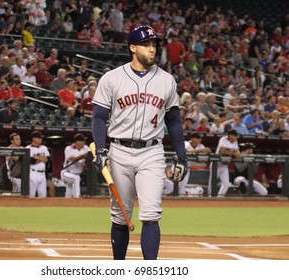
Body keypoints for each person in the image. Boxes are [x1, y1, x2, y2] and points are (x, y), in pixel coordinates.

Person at [91, 26, 187, 260]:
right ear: (132, 48)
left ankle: (149, 270)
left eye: (154, 44)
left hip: (152, 152)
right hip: (119, 150)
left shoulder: (166, 80)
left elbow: (174, 120)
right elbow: (98, 117)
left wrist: (182, 156)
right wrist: (101, 149)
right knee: (120, 216)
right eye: (146, 44)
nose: (152, 49)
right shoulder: (112, 78)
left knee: (151, 214)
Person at [209, 129, 242, 197]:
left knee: (226, 184)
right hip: (216, 164)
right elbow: (223, 151)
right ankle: (210, 197)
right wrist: (234, 153)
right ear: (230, 136)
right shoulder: (223, 139)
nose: (236, 137)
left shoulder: (235, 141)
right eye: (235, 136)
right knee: (212, 182)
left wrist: (235, 153)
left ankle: (220, 197)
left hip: (224, 165)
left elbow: (237, 153)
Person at [60, 133, 89, 198]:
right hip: (66, 173)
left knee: (68, 196)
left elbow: (92, 153)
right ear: (77, 142)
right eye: (82, 140)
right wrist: (83, 155)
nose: (84, 142)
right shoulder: (68, 148)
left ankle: (66, 204)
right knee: (76, 179)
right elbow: (73, 158)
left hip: (77, 173)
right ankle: (77, 197)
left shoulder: (85, 148)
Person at [27, 131, 50, 198]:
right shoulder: (28, 148)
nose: (41, 139)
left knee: (43, 196)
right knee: (31, 196)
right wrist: (42, 158)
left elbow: (47, 159)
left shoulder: (44, 147)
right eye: (39, 138)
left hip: (42, 174)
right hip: (33, 173)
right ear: (34, 139)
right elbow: (32, 161)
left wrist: (37, 158)